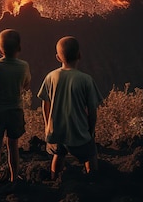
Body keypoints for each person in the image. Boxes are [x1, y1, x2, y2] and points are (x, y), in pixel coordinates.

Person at [37, 36, 104, 180]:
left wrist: (48, 125)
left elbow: (45, 104)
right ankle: (92, 180)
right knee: (91, 155)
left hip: (56, 133)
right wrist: (91, 131)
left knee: (58, 155)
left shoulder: (50, 77)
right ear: (80, 55)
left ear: (57, 57)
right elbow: (92, 110)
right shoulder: (86, 79)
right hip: (78, 134)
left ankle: (54, 179)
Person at [0, 29, 31, 184]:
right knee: (13, 145)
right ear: (19, 48)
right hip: (15, 111)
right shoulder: (23, 66)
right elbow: (26, 85)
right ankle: (14, 177)